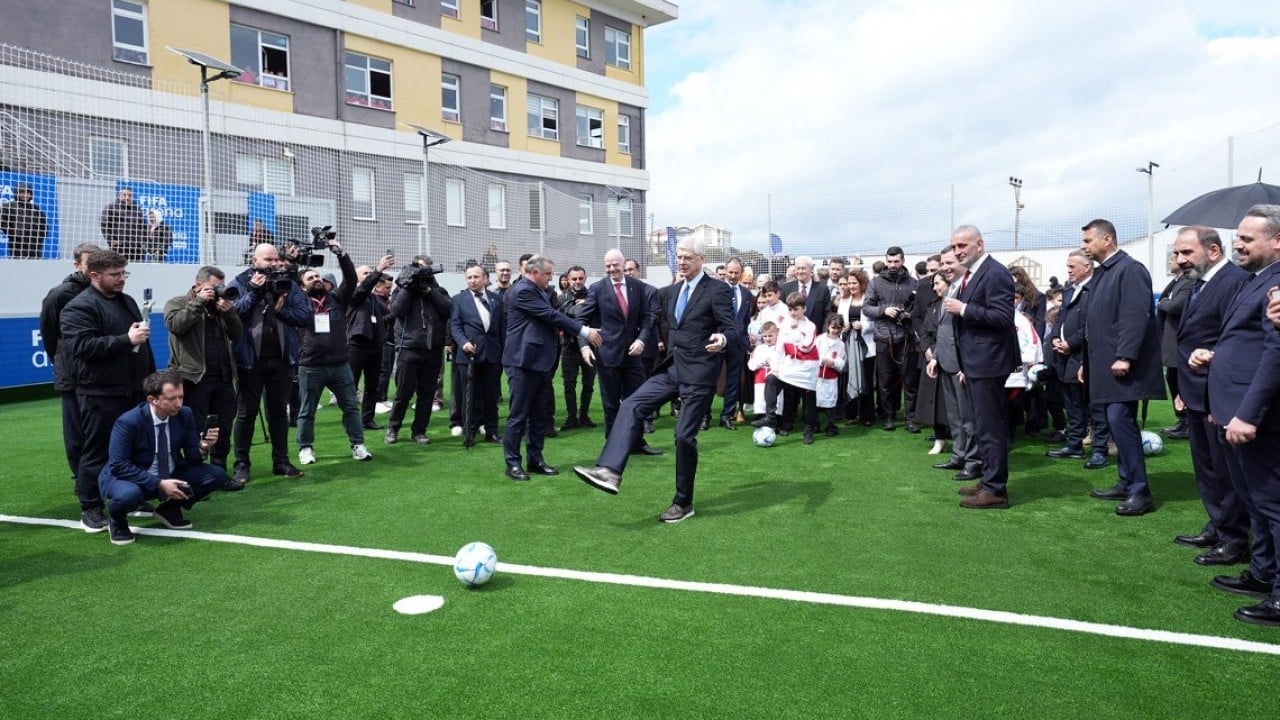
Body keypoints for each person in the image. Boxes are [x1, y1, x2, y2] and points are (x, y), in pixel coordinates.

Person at [575, 238, 736, 522]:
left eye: (687, 257)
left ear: (701, 259)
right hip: (672, 368)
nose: (682, 262)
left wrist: (722, 339)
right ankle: (609, 471)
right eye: (679, 257)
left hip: (699, 373)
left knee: (683, 436)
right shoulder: (671, 292)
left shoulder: (717, 289)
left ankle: (683, 503)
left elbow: (733, 329)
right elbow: (654, 318)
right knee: (631, 404)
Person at [1195, 205, 1280, 626]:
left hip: (1257, 415)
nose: (1237, 244)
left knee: (1271, 503)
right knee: (1256, 502)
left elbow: (1275, 353)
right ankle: (1264, 572)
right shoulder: (1257, 279)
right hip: (1234, 408)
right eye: (1238, 237)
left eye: (1247, 238)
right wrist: (1216, 358)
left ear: (1277, 241)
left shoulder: (1275, 283)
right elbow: (1247, 343)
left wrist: (1248, 414)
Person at [60, 248, 156, 531]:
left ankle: (133, 497)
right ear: (94, 275)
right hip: (100, 392)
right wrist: (126, 339)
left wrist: (149, 378)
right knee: (97, 451)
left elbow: (141, 343)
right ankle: (90, 507)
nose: (122, 278)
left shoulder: (126, 300)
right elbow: (82, 347)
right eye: (115, 274)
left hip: (133, 389)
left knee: (136, 447)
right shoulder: (78, 307)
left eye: (124, 273)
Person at [1170, 225, 1249, 564]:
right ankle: (1218, 526)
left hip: (1217, 393)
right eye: (1177, 253)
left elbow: (1236, 338)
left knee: (1224, 471)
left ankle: (1234, 539)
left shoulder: (1233, 282)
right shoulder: (1200, 284)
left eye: (1187, 252)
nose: (1180, 259)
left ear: (1213, 251)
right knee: (1207, 468)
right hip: (1196, 390)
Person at [1079, 218, 1165, 516]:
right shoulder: (1104, 272)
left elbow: (1135, 316)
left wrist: (1126, 356)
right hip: (1104, 365)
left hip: (1123, 367)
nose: (1084, 246)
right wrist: (1087, 364)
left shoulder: (1130, 269)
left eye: (1088, 240)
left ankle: (1140, 491)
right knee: (1115, 422)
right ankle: (1126, 481)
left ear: (1107, 239)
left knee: (1120, 422)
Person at [98, 370, 228, 545]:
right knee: (128, 495)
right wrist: (158, 483)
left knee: (217, 475)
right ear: (153, 400)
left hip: (170, 472)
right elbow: (119, 466)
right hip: (130, 478)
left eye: (181, 397)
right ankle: (117, 521)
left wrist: (204, 446)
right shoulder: (128, 422)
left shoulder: (185, 414)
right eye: (172, 398)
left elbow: (193, 457)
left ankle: (169, 510)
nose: (179, 404)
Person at [502, 255, 602, 481]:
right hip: (522, 362)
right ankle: (513, 463)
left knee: (539, 415)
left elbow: (558, 314)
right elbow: (551, 315)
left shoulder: (539, 291)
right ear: (535, 273)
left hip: (540, 362)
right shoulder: (523, 291)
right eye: (547, 274)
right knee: (518, 416)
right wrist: (584, 331)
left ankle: (535, 459)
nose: (552, 278)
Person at [944, 225, 1018, 510]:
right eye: (954, 246)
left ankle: (996, 489)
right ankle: (989, 481)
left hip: (989, 362)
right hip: (977, 362)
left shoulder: (995, 273)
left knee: (991, 427)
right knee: (982, 425)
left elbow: (1002, 317)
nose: (958, 251)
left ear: (979, 244)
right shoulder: (973, 274)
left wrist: (963, 309)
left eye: (962, 245)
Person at [228, 243, 310, 485]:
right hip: (249, 361)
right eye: (268, 259)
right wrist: (254, 291)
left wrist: (279, 311)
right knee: (246, 414)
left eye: (276, 259)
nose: (274, 263)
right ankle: (241, 464)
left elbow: (303, 316)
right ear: (254, 260)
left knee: (279, 413)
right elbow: (232, 314)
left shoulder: (289, 283)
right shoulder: (239, 282)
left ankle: (281, 461)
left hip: (282, 360)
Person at [294, 240, 374, 464]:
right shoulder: (299, 303)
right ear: (302, 286)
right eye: (310, 278)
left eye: (318, 276)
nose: (316, 279)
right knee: (307, 411)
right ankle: (305, 448)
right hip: (311, 366)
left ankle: (358, 445)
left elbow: (350, 279)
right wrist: (295, 259)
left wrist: (341, 254)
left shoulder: (337, 299)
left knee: (351, 407)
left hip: (340, 364)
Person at [163, 266, 243, 481]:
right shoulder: (178, 302)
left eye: (221, 286)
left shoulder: (219, 307)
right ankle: (196, 475)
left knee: (223, 426)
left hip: (223, 376)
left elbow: (237, 334)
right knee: (195, 429)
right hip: (194, 378)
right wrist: (198, 302)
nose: (219, 290)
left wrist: (229, 313)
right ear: (198, 285)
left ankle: (219, 472)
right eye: (214, 286)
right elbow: (176, 325)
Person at [577, 249, 660, 455]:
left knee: (636, 401)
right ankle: (614, 447)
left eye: (615, 265)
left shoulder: (637, 287)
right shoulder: (597, 289)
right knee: (611, 404)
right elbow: (581, 321)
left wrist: (641, 339)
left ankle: (637, 443)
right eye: (608, 266)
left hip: (633, 355)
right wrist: (584, 346)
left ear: (623, 265)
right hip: (607, 356)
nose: (612, 269)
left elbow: (646, 318)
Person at [39, 243, 99, 486]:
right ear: (77, 264)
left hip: (100, 374)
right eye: (90, 262)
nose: (95, 267)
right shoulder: (60, 295)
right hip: (73, 375)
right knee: (76, 433)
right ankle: (82, 482)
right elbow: (49, 335)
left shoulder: (105, 291)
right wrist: (65, 362)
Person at [384, 255, 452, 445]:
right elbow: (397, 311)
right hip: (409, 348)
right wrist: (408, 286)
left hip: (433, 350)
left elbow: (448, 309)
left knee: (427, 395)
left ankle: (419, 431)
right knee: (403, 393)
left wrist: (429, 291)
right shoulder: (401, 291)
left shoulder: (439, 290)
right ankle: (393, 429)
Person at [927, 248, 980, 479]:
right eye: (943, 264)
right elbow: (945, 332)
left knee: (968, 418)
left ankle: (973, 462)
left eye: (950, 263)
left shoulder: (965, 292)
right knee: (955, 417)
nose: (946, 268)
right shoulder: (946, 298)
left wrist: (965, 366)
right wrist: (936, 358)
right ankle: (959, 456)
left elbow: (968, 335)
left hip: (961, 367)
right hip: (946, 364)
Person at [1045, 251, 1100, 466]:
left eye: (1072, 266)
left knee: (1091, 405)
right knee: (1072, 403)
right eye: (1067, 266)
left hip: (1084, 355)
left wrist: (1071, 343)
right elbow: (1060, 318)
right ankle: (1074, 443)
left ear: (1087, 267)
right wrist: (1055, 338)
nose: (1068, 270)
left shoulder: (1094, 289)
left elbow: (1091, 323)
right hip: (1064, 357)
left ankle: (1099, 447)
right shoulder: (1069, 290)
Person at [863, 246, 918, 431]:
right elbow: (866, 308)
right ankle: (888, 416)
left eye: (896, 261)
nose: (893, 265)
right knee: (884, 381)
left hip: (906, 337)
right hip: (883, 337)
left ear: (903, 261)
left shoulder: (913, 283)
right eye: (890, 261)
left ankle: (910, 418)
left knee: (909, 381)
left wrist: (909, 315)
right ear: (886, 261)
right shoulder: (876, 282)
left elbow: (919, 309)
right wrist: (884, 311)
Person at [450, 263, 504, 444]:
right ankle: (470, 432)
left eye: (476, 277)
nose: (472, 280)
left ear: (485, 278)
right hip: (468, 356)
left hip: (492, 354)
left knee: (491, 395)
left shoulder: (496, 299)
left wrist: (503, 351)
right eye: (469, 277)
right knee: (469, 396)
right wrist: (463, 342)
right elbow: (455, 325)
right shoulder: (459, 299)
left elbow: (501, 327)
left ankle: (492, 431)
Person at [345, 254, 396, 430]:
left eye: (370, 273)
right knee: (351, 385)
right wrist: (378, 270)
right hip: (357, 346)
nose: (369, 275)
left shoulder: (373, 298)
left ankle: (367, 419)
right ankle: (349, 420)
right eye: (365, 273)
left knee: (372, 385)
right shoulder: (352, 293)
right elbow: (362, 290)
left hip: (375, 345)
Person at [761, 292, 819, 443]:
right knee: (771, 379)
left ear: (804, 309)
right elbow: (780, 347)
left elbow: (806, 346)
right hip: (790, 365)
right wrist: (775, 367)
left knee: (808, 399)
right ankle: (771, 418)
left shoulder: (810, 326)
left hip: (807, 367)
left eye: (796, 309)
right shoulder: (784, 324)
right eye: (790, 309)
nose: (793, 313)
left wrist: (795, 330)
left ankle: (809, 430)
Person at [1156, 255, 1195, 440]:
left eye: (1173, 258)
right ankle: (1182, 419)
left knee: (1180, 380)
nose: (1171, 261)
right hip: (1171, 342)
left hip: (1180, 342)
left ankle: (1187, 421)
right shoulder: (1176, 282)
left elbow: (1175, 306)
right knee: (1173, 379)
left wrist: (1162, 303)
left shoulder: (1189, 281)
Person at [558, 266, 597, 431]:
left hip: (591, 346)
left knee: (589, 384)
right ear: (568, 279)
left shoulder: (593, 295)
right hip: (569, 347)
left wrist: (585, 304)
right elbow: (562, 317)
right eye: (574, 279)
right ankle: (571, 417)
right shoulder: (561, 298)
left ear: (585, 278)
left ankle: (584, 415)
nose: (577, 281)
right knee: (569, 384)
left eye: (580, 278)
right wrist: (582, 306)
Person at [841, 268, 876, 426]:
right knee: (850, 376)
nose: (851, 286)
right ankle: (850, 414)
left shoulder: (870, 299)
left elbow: (876, 322)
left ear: (862, 283)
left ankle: (867, 415)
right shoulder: (844, 300)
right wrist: (844, 326)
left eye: (854, 283)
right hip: (848, 345)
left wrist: (863, 326)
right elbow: (838, 320)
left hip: (866, 345)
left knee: (866, 379)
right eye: (849, 283)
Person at [816, 314, 847, 437]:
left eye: (838, 328)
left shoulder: (841, 344)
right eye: (833, 327)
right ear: (828, 326)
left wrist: (833, 363)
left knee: (830, 403)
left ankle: (831, 427)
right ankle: (814, 425)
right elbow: (813, 355)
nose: (835, 331)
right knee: (815, 402)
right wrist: (821, 360)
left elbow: (842, 363)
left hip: (831, 378)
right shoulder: (820, 339)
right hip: (817, 376)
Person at [781, 255, 832, 331]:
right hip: (791, 333)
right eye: (798, 268)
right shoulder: (786, 288)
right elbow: (782, 312)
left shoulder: (822, 289)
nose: (800, 271)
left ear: (811, 270)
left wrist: (824, 334)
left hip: (816, 334)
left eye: (803, 268)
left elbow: (827, 315)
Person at [99, 187, 148, 262]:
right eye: (124, 195)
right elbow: (104, 225)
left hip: (136, 248)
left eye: (129, 195)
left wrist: (142, 242)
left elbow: (143, 228)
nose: (127, 198)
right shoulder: (111, 207)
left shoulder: (137, 210)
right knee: (118, 267)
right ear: (119, 195)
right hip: (119, 246)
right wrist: (110, 240)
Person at [0, 182, 48, 258]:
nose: (25, 195)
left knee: (35, 264)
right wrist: (15, 234)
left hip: (35, 246)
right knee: (18, 264)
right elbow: (3, 222)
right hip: (17, 245)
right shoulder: (9, 206)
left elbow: (44, 225)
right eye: (22, 192)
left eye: (28, 193)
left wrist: (39, 238)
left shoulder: (35, 208)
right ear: (17, 193)